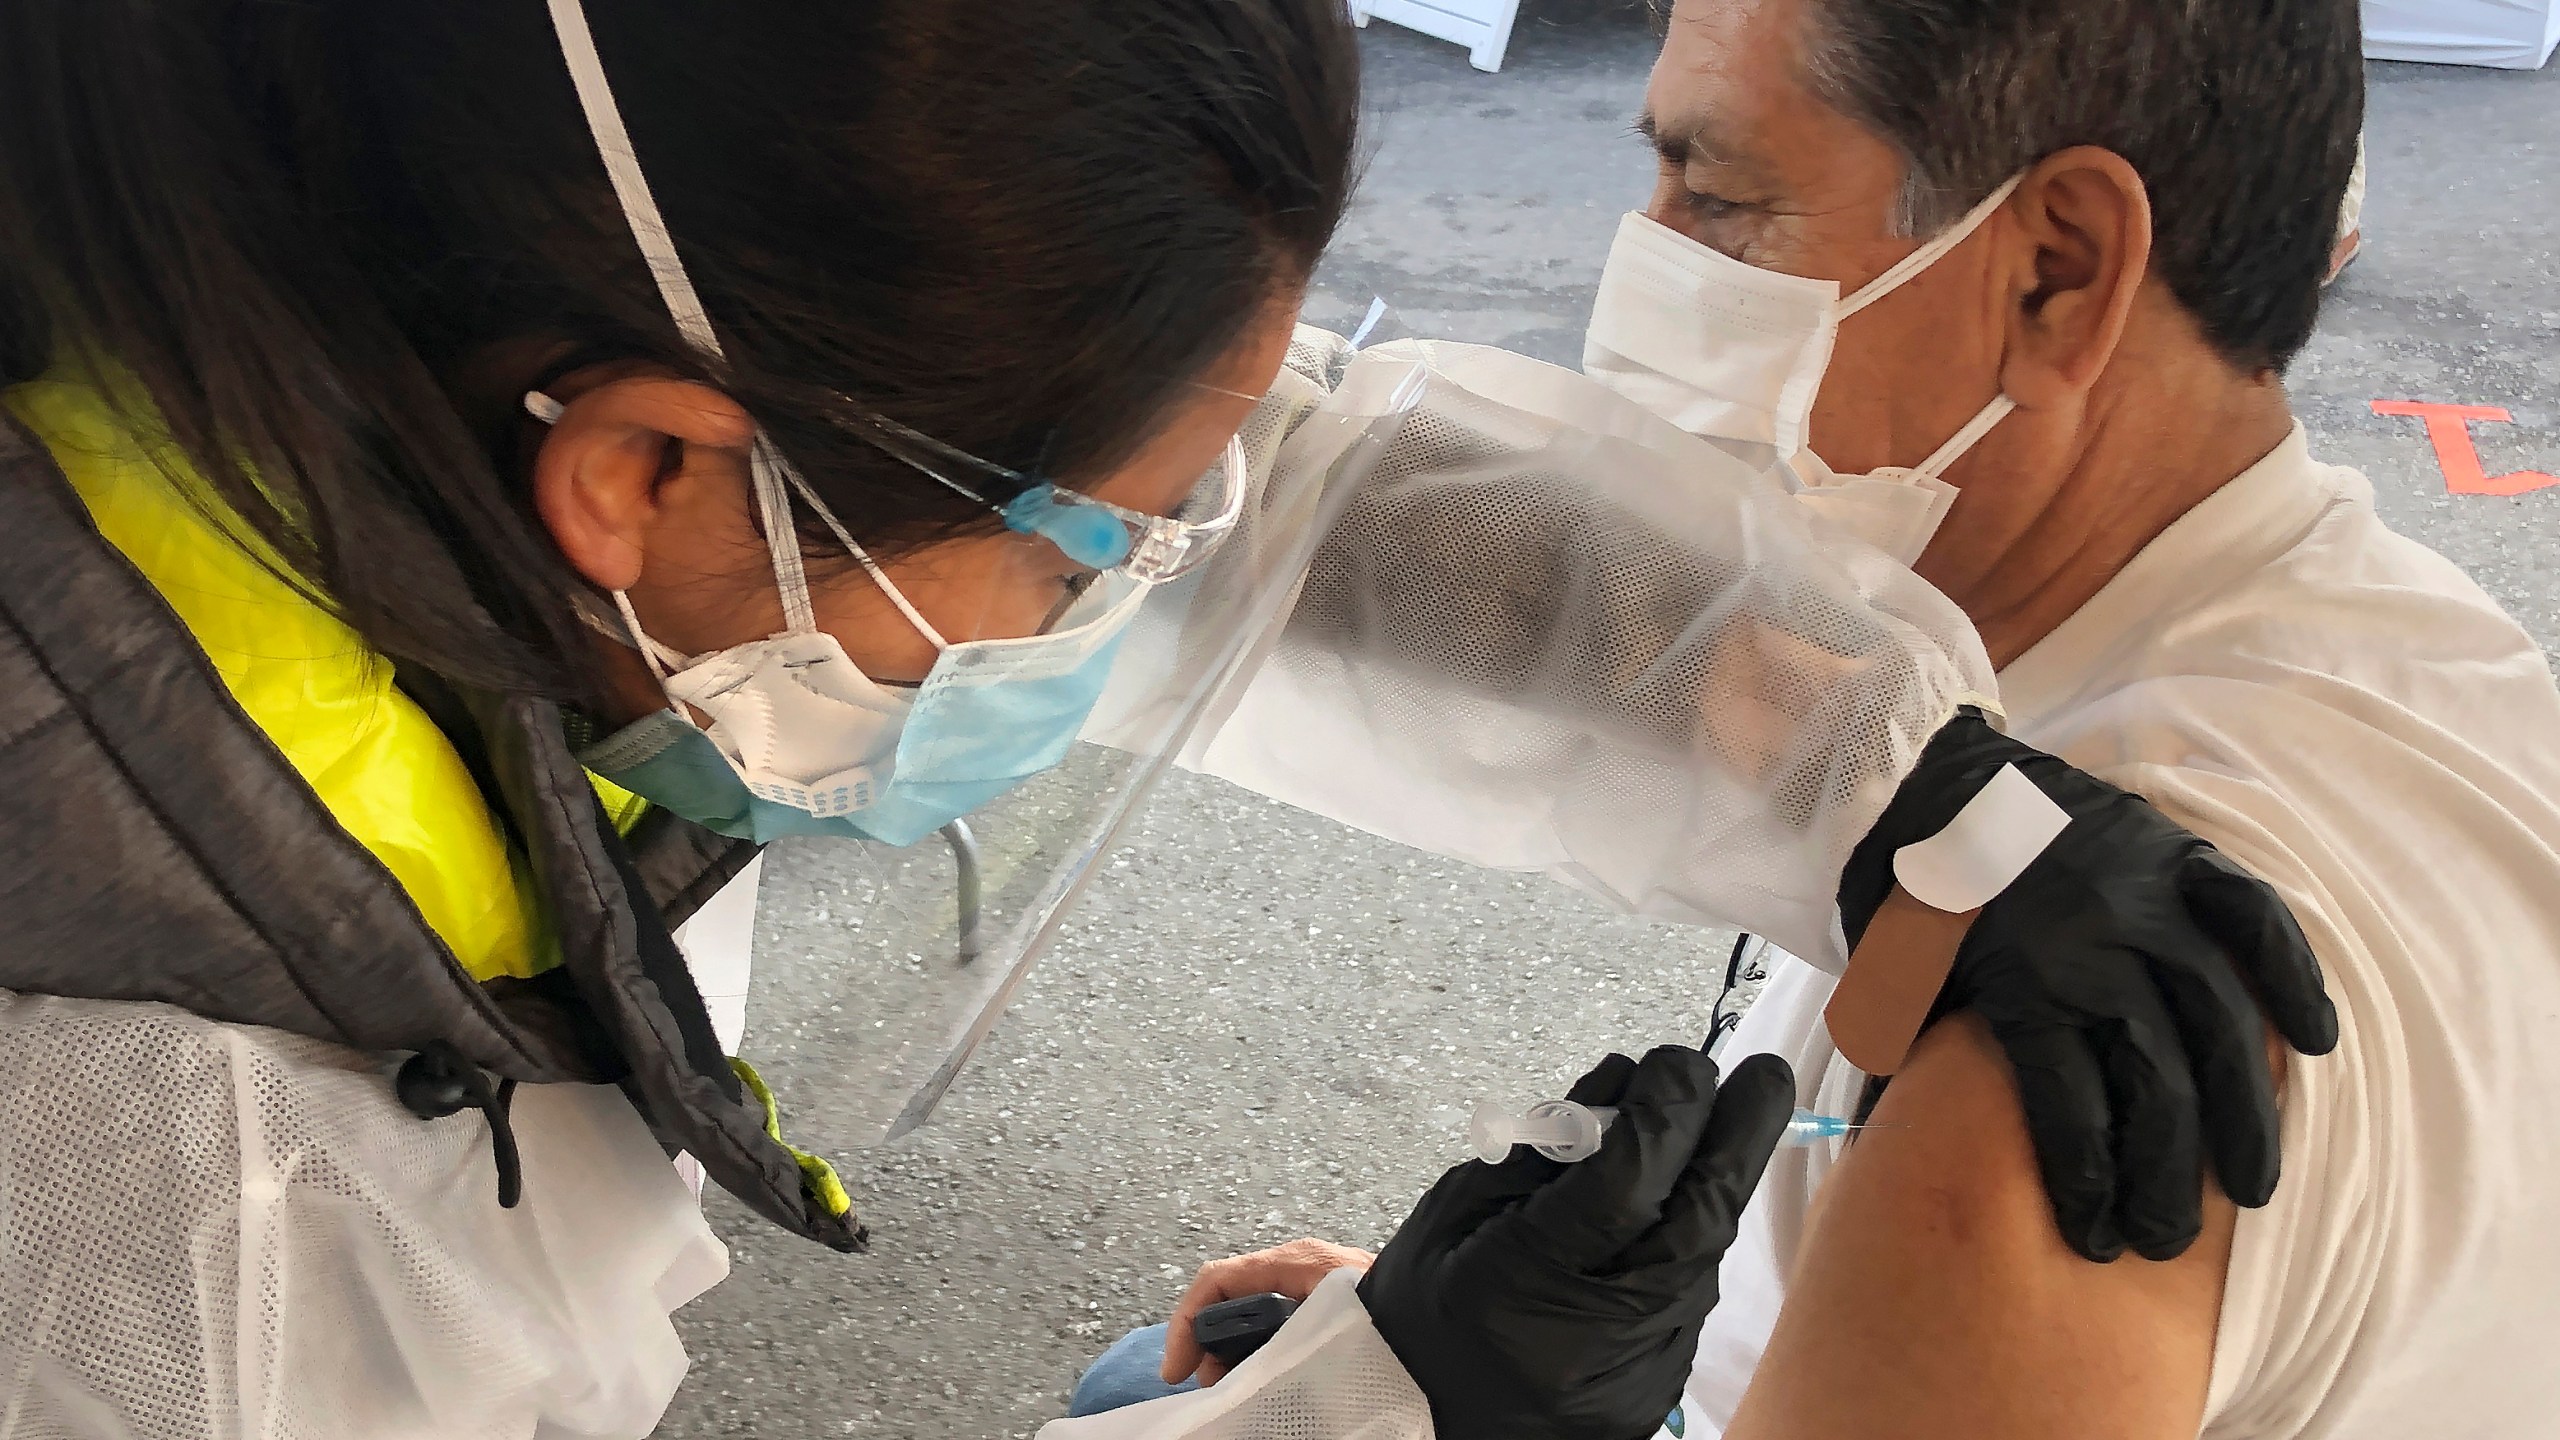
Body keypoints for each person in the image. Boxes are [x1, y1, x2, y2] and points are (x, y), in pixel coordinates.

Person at [0, 3, 2336, 1438]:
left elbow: (1297, 488)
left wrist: (1883, 784)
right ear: (634, 471)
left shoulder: (301, 313)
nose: (1148, 589)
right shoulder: (170, 1210)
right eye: (1094, 547)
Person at [1127, 0, 2560, 1435]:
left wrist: (1388, 1410)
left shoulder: (2084, 1076)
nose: (1642, 258)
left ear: (2058, 271)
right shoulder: (2417, 645)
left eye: (1721, 197)